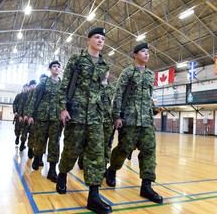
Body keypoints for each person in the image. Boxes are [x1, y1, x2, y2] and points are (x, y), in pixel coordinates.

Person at [56, 27, 112, 213]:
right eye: (97, 37)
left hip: (96, 116)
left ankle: (94, 196)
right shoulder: (77, 60)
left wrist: (107, 116)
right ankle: (62, 173)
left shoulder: (104, 65)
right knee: (71, 150)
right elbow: (64, 85)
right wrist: (62, 108)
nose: (100, 40)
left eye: (102, 38)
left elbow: (104, 92)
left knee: (96, 155)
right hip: (77, 114)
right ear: (88, 40)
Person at [105, 43, 163, 204]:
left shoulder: (151, 74)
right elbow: (118, 95)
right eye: (143, 51)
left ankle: (146, 186)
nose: (147, 54)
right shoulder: (127, 73)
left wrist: (154, 109)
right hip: (129, 121)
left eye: (148, 52)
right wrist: (116, 116)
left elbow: (148, 97)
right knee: (123, 149)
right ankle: (112, 170)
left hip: (147, 122)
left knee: (149, 152)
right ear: (135, 55)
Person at [27, 61, 62, 183]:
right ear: (50, 69)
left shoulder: (62, 85)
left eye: (58, 66)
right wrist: (30, 114)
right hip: (42, 117)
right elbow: (34, 98)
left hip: (56, 119)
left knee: (54, 143)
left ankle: (52, 170)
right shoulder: (43, 82)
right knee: (40, 140)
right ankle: (37, 157)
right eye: (54, 66)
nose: (56, 68)